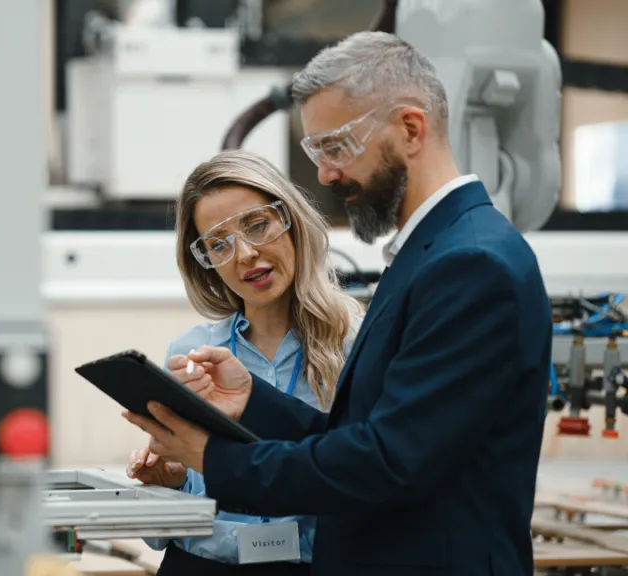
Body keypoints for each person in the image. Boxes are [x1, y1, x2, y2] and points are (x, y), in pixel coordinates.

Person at [124, 31, 552, 576]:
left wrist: (215, 458)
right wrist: (253, 398)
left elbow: (387, 463)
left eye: (335, 147)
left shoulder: (470, 263)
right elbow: (363, 439)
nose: (325, 174)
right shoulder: (431, 253)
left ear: (410, 129)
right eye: (316, 152)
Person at [124, 149, 363, 575]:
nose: (245, 254)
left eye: (257, 226)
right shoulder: (191, 353)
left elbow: (368, 484)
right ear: (206, 265)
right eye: (219, 244)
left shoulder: (355, 342)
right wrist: (172, 484)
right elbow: (160, 535)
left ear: (291, 222)